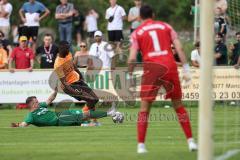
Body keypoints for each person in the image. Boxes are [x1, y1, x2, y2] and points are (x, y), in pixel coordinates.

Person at [128, 5, 197, 153]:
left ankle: (141, 145)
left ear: (139, 17)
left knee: (144, 108)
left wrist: (129, 74)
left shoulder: (137, 32)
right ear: (153, 14)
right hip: (169, 66)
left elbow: (132, 58)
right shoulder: (166, 26)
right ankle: (191, 142)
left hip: (152, 69)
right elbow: (179, 48)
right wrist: (186, 69)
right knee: (178, 105)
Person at [11, 87, 121, 127]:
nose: (38, 102)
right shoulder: (31, 115)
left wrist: (55, 90)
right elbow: (24, 124)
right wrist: (17, 125)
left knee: (84, 117)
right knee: (85, 114)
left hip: (62, 116)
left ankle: (92, 124)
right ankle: (110, 113)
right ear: (32, 105)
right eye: (36, 102)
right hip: (61, 119)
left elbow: (50, 99)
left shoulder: (41, 107)